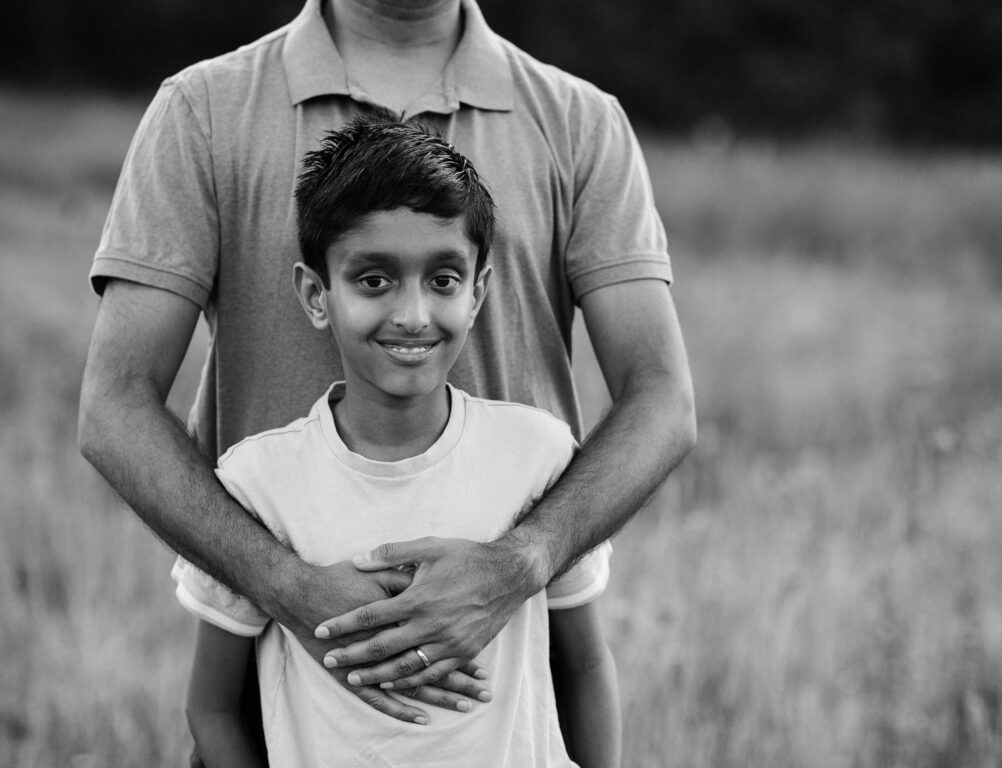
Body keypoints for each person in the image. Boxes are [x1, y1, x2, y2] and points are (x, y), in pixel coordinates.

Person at [79, 0, 695, 728]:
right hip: (276, 691)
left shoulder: (581, 122)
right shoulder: (203, 111)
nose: (411, 312)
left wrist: (519, 565)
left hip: (515, 684)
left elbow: (661, 397)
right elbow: (114, 405)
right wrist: (288, 587)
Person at [176, 115, 620, 768]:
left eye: (442, 280)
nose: (412, 315)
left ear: (478, 293)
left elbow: (582, 665)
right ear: (315, 294)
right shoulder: (256, 484)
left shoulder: (540, 459)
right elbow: (211, 710)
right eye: (374, 281)